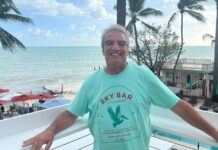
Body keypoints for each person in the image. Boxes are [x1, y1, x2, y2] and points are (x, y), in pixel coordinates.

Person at [22, 25, 218, 150]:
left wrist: (215, 133)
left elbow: (180, 107)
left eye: (121, 43)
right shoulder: (92, 81)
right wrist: (50, 131)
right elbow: (71, 113)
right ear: (102, 49)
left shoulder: (143, 75)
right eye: (109, 43)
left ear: (127, 49)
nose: (115, 47)